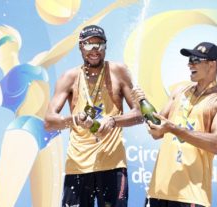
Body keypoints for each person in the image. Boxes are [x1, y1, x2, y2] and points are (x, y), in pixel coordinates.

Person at [44, 25, 143, 207]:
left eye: (99, 44)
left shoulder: (118, 71)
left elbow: (140, 114)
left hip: (112, 165)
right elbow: (49, 122)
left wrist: (113, 120)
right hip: (78, 166)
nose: (94, 50)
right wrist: (74, 120)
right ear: (81, 47)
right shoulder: (70, 77)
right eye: (89, 45)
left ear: (106, 46)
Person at [133, 42, 217, 207]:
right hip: (158, 190)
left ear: (212, 64)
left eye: (195, 59)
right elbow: (156, 132)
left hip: (191, 195)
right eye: (189, 59)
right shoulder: (179, 91)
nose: (190, 64)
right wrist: (142, 103)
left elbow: (216, 144)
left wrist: (174, 129)